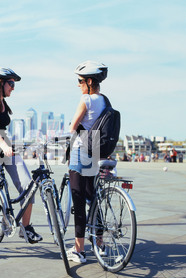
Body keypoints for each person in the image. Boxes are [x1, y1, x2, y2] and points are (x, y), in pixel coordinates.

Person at [0, 67, 42, 261]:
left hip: (5, 146)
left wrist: (11, 146)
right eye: (11, 83)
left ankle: (26, 228)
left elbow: (3, 131)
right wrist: (4, 146)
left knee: (29, 185)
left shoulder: (3, 103)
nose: (13, 88)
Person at [67, 60, 109, 263]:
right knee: (93, 199)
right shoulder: (105, 101)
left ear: (89, 81)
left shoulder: (86, 100)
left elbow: (73, 127)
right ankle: (100, 244)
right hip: (94, 151)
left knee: (78, 201)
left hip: (79, 152)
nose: (78, 84)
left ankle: (79, 250)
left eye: (80, 80)